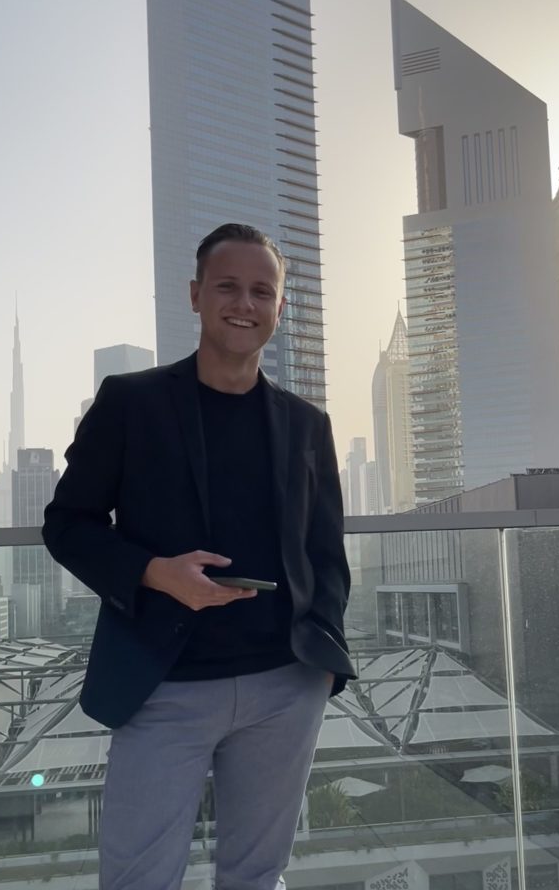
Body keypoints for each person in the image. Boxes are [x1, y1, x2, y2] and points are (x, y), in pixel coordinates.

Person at [43, 222, 355, 890]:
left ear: (279, 307)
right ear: (195, 294)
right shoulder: (131, 403)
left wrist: (323, 663)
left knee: (255, 877)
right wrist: (156, 574)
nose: (245, 303)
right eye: (228, 287)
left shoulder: (307, 424)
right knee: (136, 879)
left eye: (261, 291)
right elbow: (67, 524)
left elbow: (326, 552)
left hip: (285, 687)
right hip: (165, 686)